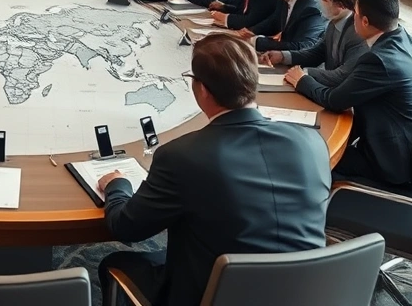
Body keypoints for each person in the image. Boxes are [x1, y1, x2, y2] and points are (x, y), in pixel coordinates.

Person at [96, 35, 330, 306]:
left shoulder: (181, 156)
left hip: (217, 295)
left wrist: (117, 186)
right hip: (307, 291)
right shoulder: (312, 141)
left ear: (203, 90)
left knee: (113, 263)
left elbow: (126, 228)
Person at [289, 0, 412, 187]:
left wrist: (301, 79)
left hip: (395, 161)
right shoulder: (404, 37)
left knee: (310, 156)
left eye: (355, 12)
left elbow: (334, 100)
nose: (352, 17)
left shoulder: (379, 60)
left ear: (365, 21)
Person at [261, 0, 367, 88]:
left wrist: (304, 73)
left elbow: (342, 76)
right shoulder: (334, 22)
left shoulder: (358, 34)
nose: (319, 3)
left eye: (324, 0)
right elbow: (318, 53)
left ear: (340, 6)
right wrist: (283, 56)